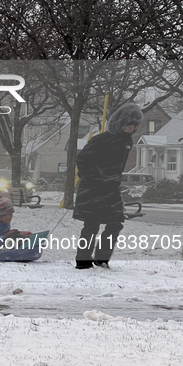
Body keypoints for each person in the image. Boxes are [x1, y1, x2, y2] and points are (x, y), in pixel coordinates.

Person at [73, 102, 143, 269]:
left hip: (111, 188)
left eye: (134, 126)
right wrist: (93, 176)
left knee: (115, 223)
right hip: (93, 188)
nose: (131, 129)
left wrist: (112, 178)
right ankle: (83, 261)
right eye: (128, 125)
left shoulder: (127, 142)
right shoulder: (101, 140)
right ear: (120, 124)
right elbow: (82, 159)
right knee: (91, 225)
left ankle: (102, 259)